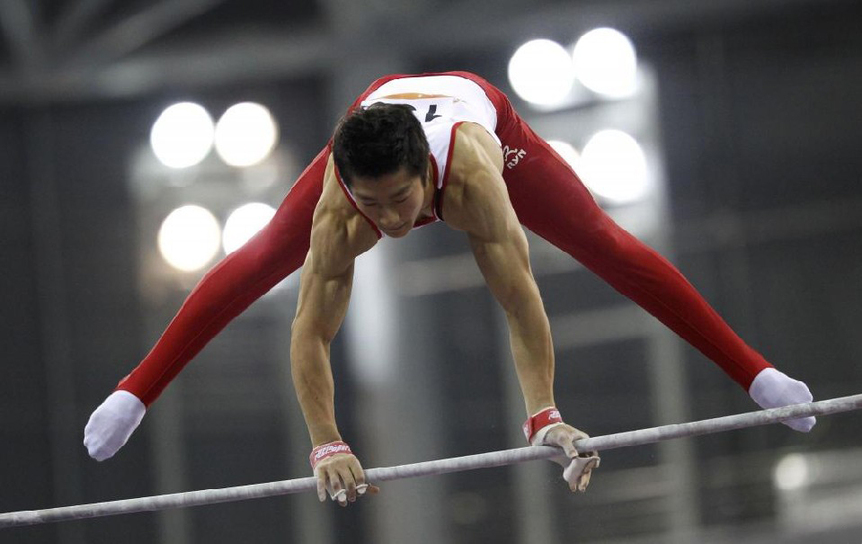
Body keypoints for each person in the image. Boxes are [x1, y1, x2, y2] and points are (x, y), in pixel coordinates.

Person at [83, 71, 815, 507]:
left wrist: (544, 417)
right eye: (372, 205)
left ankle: (757, 374)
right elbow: (311, 333)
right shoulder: (346, 211)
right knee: (264, 254)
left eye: (400, 200)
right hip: (379, 111)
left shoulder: (471, 177)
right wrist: (325, 444)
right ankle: (134, 390)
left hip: (475, 108)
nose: (392, 220)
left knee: (604, 242)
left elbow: (520, 299)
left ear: (425, 179)